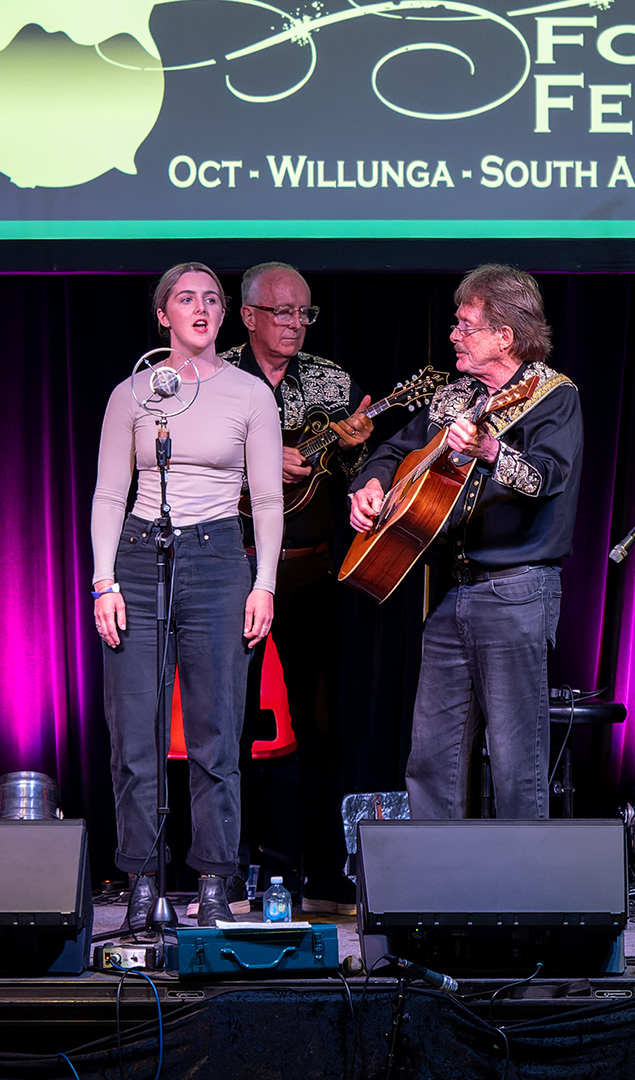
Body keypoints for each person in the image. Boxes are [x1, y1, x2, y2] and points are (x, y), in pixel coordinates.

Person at [349, 265, 582, 820]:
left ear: (505, 335)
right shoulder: (455, 395)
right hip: (453, 591)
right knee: (432, 758)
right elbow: (392, 450)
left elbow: (547, 478)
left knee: (516, 761)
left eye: (465, 325)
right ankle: (437, 871)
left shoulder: (553, 396)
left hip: (516, 592)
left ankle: (526, 875)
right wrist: (370, 484)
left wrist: (491, 452)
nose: (453, 335)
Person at [91, 262, 283, 927]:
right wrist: (105, 580)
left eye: (212, 299)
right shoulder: (132, 394)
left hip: (219, 558)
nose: (200, 308)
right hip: (141, 555)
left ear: (224, 315)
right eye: (185, 298)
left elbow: (267, 500)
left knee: (217, 735)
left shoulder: (250, 395)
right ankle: (143, 881)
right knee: (134, 736)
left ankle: (213, 882)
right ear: (162, 314)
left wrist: (264, 584)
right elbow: (109, 494)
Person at [222, 261, 374, 915]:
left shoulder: (331, 380)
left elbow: (363, 469)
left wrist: (362, 447)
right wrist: (257, 461)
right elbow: (180, 463)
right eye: (282, 312)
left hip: (310, 570)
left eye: (304, 313)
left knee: (318, 724)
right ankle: (228, 872)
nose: (295, 324)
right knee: (232, 725)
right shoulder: (215, 377)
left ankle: (321, 877)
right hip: (233, 571)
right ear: (248, 315)